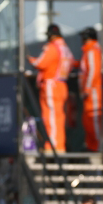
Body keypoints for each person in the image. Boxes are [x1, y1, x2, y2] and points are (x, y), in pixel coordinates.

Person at [28, 24, 75, 153]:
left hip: (51, 86)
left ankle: (53, 146)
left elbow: (40, 63)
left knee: (51, 118)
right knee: (58, 117)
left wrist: (28, 58)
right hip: (61, 84)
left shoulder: (52, 47)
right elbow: (71, 63)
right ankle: (58, 145)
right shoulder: (65, 48)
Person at [78, 26, 103, 152]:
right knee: (88, 123)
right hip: (88, 95)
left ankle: (99, 148)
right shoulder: (87, 51)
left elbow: (94, 71)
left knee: (94, 122)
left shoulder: (93, 50)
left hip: (93, 94)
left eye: (83, 37)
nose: (81, 40)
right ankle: (92, 147)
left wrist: (87, 89)